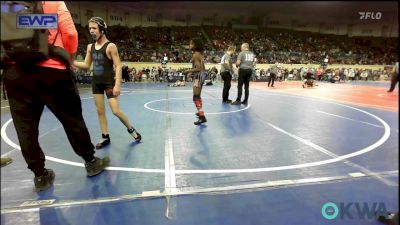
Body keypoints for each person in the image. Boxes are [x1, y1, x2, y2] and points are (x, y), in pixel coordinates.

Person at [2, 1, 109, 192]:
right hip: (52, 70)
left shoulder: (5, 5)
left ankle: (40, 175)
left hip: (15, 73)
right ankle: (90, 161)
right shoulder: (53, 2)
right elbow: (69, 33)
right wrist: (67, 57)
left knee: (25, 128)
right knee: (72, 119)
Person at [73, 17, 141, 149]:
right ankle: (105, 137)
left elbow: (119, 66)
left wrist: (117, 85)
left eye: (94, 28)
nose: (91, 31)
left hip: (109, 83)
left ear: (102, 30)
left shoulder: (110, 46)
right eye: (90, 29)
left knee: (115, 111)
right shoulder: (90, 47)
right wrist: (71, 62)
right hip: (96, 83)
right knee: (100, 111)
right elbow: (86, 65)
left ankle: (131, 129)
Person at [182, 38, 207, 125]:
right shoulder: (199, 54)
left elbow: (199, 68)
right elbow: (202, 68)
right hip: (200, 75)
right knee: (197, 96)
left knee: (196, 96)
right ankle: (200, 112)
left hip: (199, 76)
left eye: (191, 44)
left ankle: (202, 116)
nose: (190, 45)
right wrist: (192, 73)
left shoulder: (195, 54)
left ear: (196, 45)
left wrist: (188, 71)